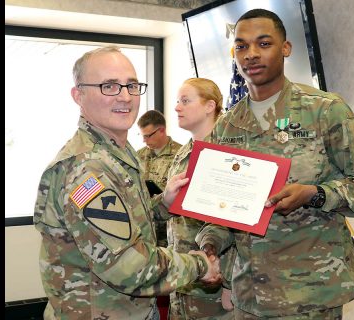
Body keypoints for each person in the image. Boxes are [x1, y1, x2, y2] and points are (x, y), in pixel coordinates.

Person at [195, 8, 354, 319]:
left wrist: (314, 193)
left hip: (311, 294)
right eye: (242, 46)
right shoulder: (226, 126)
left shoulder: (325, 111)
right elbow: (222, 208)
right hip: (250, 296)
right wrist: (209, 243)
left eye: (264, 43)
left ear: (285, 48)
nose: (251, 55)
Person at [33, 45, 221, 320]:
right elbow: (130, 267)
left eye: (132, 85)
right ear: (78, 95)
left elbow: (125, 223)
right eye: (109, 86)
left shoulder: (116, 151)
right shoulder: (87, 167)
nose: (125, 96)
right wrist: (200, 265)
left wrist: (162, 205)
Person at [166, 78, 236, 320]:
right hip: (183, 281)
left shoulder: (229, 154)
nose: (177, 107)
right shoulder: (182, 154)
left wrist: (229, 284)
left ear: (209, 106)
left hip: (214, 288)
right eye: (177, 101)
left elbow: (238, 224)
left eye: (185, 101)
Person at [137, 109, 182, 247]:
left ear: (161, 130)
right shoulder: (137, 156)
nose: (144, 140)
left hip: (170, 233)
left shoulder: (180, 155)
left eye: (148, 136)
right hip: (145, 231)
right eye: (142, 135)